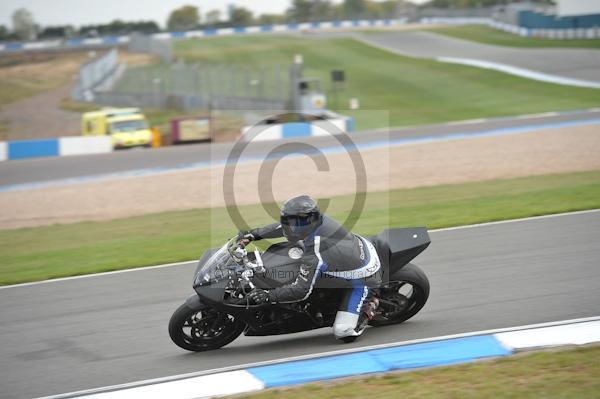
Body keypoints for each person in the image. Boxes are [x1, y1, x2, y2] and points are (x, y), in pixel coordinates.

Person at [237, 195, 380, 341]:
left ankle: (370, 306)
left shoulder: (316, 249)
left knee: (343, 332)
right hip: (351, 251)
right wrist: (253, 234)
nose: (291, 225)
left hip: (364, 277)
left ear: (309, 220)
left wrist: (269, 296)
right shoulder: (316, 221)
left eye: (295, 222)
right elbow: (283, 228)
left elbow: (301, 290)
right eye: (289, 220)